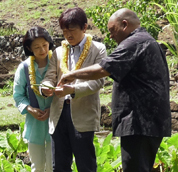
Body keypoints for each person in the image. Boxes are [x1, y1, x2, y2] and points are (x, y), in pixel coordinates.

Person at [58, 8, 172, 172]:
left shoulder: (135, 42)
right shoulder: (146, 40)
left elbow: (104, 69)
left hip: (139, 123)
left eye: (112, 30)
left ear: (124, 24)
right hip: (147, 122)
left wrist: (72, 74)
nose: (111, 36)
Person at [41, 7, 107, 172]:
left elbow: (98, 81)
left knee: (85, 165)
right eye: (64, 31)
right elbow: (50, 76)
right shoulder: (58, 51)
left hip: (83, 114)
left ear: (84, 28)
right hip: (59, 114)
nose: (68, 35)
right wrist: (45, 88)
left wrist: (72, 89)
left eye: (72, 30)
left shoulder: (98, 49)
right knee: (60, 166)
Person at [13, 26, 53, 172]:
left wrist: (52, 108)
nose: (42, 50)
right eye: (37, 47)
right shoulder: (23, 68)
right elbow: (18, 95)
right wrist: (30, 109)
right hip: (34, 124)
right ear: (29, 48)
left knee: (52, 166)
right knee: (37, 167)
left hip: (55, 122)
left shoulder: (57, 63)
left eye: (45, 45)